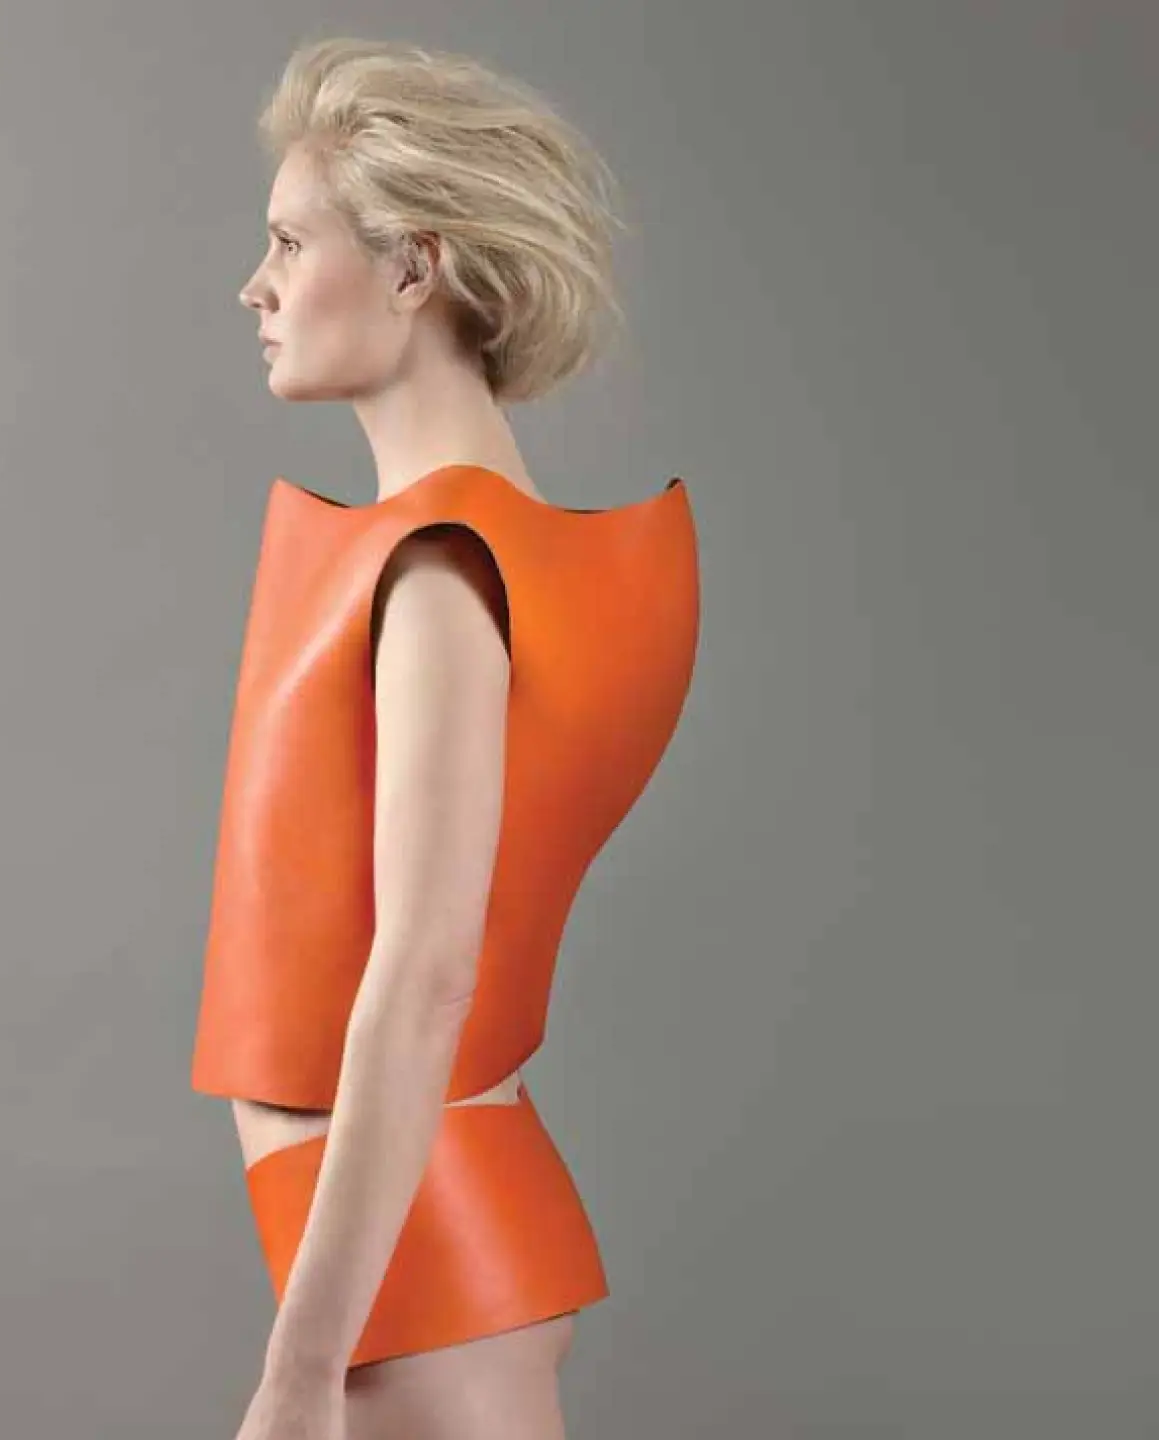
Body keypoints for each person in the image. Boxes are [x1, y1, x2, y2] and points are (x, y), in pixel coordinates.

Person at [194, 36, 700, 1440]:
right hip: (423, 1255)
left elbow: (426, 978)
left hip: (415, 1284)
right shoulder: (472, 553)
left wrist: (300, 1371)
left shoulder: (440, 571)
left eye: (290, 243)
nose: (256, 286)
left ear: (414, 268)